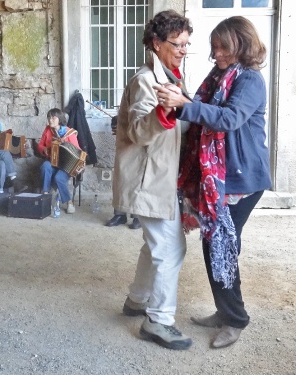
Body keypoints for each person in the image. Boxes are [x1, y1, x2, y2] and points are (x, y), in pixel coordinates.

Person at [155, 16, 272, 348]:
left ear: (240, 44)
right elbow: (203, 107)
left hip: (243, 179)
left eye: (222, 47)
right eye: (214, 47)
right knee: (214, 244)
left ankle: (235, 319)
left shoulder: (250, 80)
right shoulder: (221, 76)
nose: (215, 53)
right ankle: (225, 311)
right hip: (223, 178)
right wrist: (181, 101)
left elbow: (230, 119)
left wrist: (185, 105)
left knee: (221, 246)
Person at [112, 10, 193, 350]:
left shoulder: (172, 77)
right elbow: (137, 129)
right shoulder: (148, 80)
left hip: (158, 177)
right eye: (177, 44)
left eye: (187, 44)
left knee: (156, 244)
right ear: (157, 44)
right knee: (170, 248)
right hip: (146, 180)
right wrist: (166, 113)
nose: (183, 50)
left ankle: (137, 300)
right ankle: (158, 321)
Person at [37, 108, 80, 214]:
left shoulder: (69, 133)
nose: (50, 120)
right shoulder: (48, 130)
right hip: (52, 162)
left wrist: (79, 166)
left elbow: (78, 152)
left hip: (66, 166)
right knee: (45, 166)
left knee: (59, 177)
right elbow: (40, 145)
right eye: (49, 117)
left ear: (59, 119)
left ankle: (69, 203)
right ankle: (46, 195)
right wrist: (45, 149)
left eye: (53, 117)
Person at [105, 115, 140, 229]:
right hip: (124, 150)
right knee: (120, 183)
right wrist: (118, 124)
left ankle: (138, 217)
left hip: (139, 150)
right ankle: (120, 215)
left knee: (136, 185)